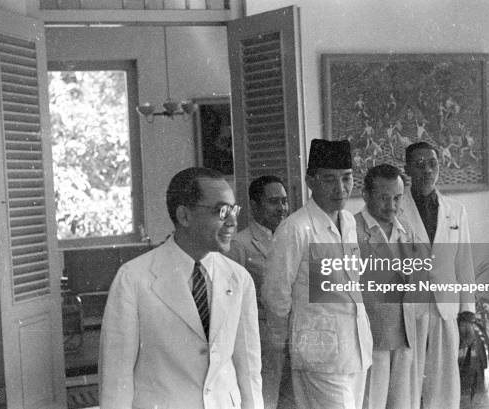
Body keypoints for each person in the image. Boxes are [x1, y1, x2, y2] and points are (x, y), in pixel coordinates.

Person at [99, 167, 263, 409]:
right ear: (184, 216)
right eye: (222, 211)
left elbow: (249, 369)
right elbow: (116, 377)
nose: (233, 221)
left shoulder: (239, 279)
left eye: (234, 209)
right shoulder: (134, 278)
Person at [262, 139, 373, 409]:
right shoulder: (296, 228)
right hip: (318, 353)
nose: (340, 188)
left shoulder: (347, 221)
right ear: (310, 181)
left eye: (346, 179)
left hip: (355, 346)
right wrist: (283, 345)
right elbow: (275, 295)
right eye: (329, 179)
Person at [401, 141, 476, 409]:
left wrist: (467, 314)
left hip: (446, 306)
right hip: (409, 307)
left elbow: (464, 264)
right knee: (407, 379)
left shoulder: (456, 210)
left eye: (432, 164)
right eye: (419, 165)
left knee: (445, 380)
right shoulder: (396, 209)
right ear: (407, 169)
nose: (427, 171)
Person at [226, 175, 292, 409]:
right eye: (274, 202)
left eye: (284, 201)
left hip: (295, 339)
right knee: (266, 400)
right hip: (263, 343)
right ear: (254, 206)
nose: (282, 208)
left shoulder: (293, 238)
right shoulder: (239, 245)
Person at [355, 164, 415, 409]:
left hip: (405, 333)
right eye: (383, 198)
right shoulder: (353, 229)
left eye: (397, 198)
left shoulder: (405, 228)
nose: (392, 205)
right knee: (371, 403)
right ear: (366, 194)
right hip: (372, 335)